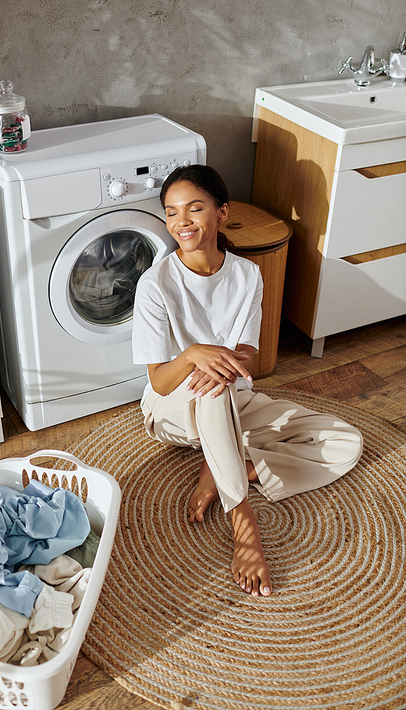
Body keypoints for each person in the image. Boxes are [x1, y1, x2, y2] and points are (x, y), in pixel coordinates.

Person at [132, 164, 363, 598]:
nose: (182, 222)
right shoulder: (155, 284)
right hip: (171, 412)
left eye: (194, 208)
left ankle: (226, 468)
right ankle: (244, 524)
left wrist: (224, 363)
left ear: (221, 213)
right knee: (212, 385)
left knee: (346, 441)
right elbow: (161, 383)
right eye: (171, 212)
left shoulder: (246, 275)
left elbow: (249, 357)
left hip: (236, 400)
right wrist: (194, 355)